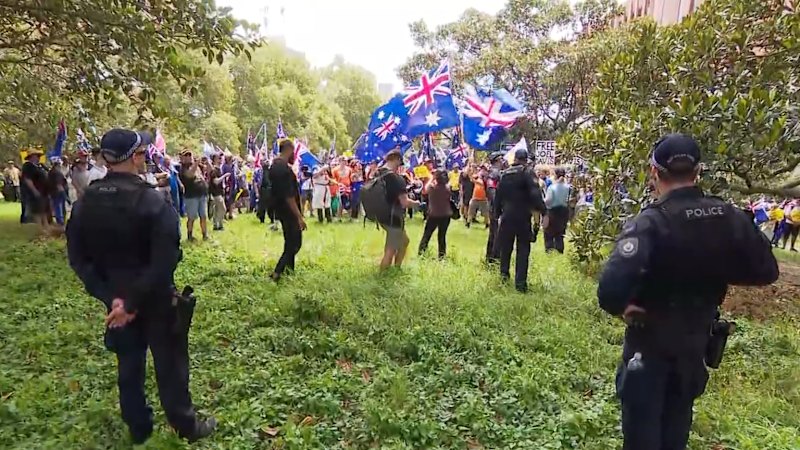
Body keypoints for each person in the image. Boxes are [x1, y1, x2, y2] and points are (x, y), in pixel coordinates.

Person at [597, 134, 779, 450]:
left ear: (654, 173)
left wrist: (623, 307)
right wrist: (716, 272)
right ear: (698, 172)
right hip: (694, 343)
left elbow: (610, 291)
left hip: (649, 344)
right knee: (677, 427)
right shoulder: (730, 216)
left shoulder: (650, 222)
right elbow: (766, 270)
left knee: (642, 432)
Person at [66, 128, 216, 445]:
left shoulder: (84, 205)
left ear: (106, 158)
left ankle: (139, 428)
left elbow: (78, 259)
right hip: (156, 299)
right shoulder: (152, 202)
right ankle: (185, 426)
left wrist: (115, 300)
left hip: (116, 302)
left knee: (129, 367)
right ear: (137, 156)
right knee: (170, 366)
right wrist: (132, 301)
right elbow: (167, 259)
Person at [494, 149, 546, 292]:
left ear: (515, 158)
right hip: (523, 216)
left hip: (507, 215)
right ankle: (520, 284)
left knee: (506, 248)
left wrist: (497, 213)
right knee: (523, 249)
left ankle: (504, 276)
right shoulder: (527, 172)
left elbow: (498, 196)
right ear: (525, 159)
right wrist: (543, 211)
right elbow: (535, 194)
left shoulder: (505, 174)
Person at [268, 139, 306, 282]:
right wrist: (299, 217)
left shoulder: (275, 166)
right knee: (295, 243)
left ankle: (290, 270)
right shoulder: (284, 169)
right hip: (289, 209)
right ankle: (277, 272)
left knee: (289, 240)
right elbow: (289, 196)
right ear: (289, 149)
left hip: (280, 209)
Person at [378, 150, 419, 270]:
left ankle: (396, 268)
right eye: (399, 163)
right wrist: (417, 204)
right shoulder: (397, 179)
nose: (399, 167)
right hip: (394, 216)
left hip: (381, 214)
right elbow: (404, 202)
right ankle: (384, 275)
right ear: (396, 159)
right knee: (391, 248)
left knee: (404, 241)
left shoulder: (377, 173)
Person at [418, 169, 452, 259]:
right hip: (446, 215)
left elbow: (425, 189)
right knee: (442, 236)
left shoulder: (432, 188)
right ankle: (442, 256)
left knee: (427, 234)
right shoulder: (448, 188)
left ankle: (421, 252)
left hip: (434, 215)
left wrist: (432, 178)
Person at [179, 150, 209, 241]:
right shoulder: (183, 168)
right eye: (186, 155)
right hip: (191, 196)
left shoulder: (197, 166)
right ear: (183, 158)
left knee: (203, 216)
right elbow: (190, 175)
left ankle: (205, 234)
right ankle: (189, 235)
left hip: (201, 194)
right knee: (191, 217)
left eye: (190, 154)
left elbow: (208, 170)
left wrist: (207, 162)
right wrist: (196, 163)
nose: (189, 156)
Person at [543, 167, 571, 253]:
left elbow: (548, 200)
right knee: (560, 232)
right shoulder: (568, 187)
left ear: (555, 175)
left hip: (553, 211)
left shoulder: (552, 187)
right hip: (564, 211)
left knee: (549, 231)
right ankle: (560, 249)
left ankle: (549, 249)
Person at [20, 149, 50, 228]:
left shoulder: (40, 166)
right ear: (31, 157)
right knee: (37, 210)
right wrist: (34, 190)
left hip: (44, 191)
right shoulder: (28, 166)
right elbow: (27, 179)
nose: (38, 157)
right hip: (35, 191)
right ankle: (40, 228)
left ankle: (46, 226)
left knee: (44, 209)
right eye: (36, 156)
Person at [485, 152, 506, 264]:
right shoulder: (494, 173)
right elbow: (491, 190)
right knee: (496, 234)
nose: (503, 161)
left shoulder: (498, 173)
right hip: (496, 208)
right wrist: (499, 205)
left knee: (494, 233)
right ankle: (493, 259)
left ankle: (491, 257)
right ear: (497, 160)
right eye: (501, 159)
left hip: (495, 208)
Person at [208, 154, 229, 231]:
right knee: (223, 209)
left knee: (218, 210)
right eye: (219, 158)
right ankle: (217, 224)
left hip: (219, 192)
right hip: (215, 193)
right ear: (214, 160)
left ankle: (218, 225)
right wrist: (225, 176)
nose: (220, 160)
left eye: (221, 158)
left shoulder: (218, 169)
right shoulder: (214, 170)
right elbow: (215, 181)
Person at [48, 157, 69, 226]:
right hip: (58, 193)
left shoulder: (51, 172)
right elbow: (59, 185)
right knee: (59, 209)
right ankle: (61, 224)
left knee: (58, 208)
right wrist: (65, 196)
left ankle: (60, 222)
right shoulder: (57, 173)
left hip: (53, 193)